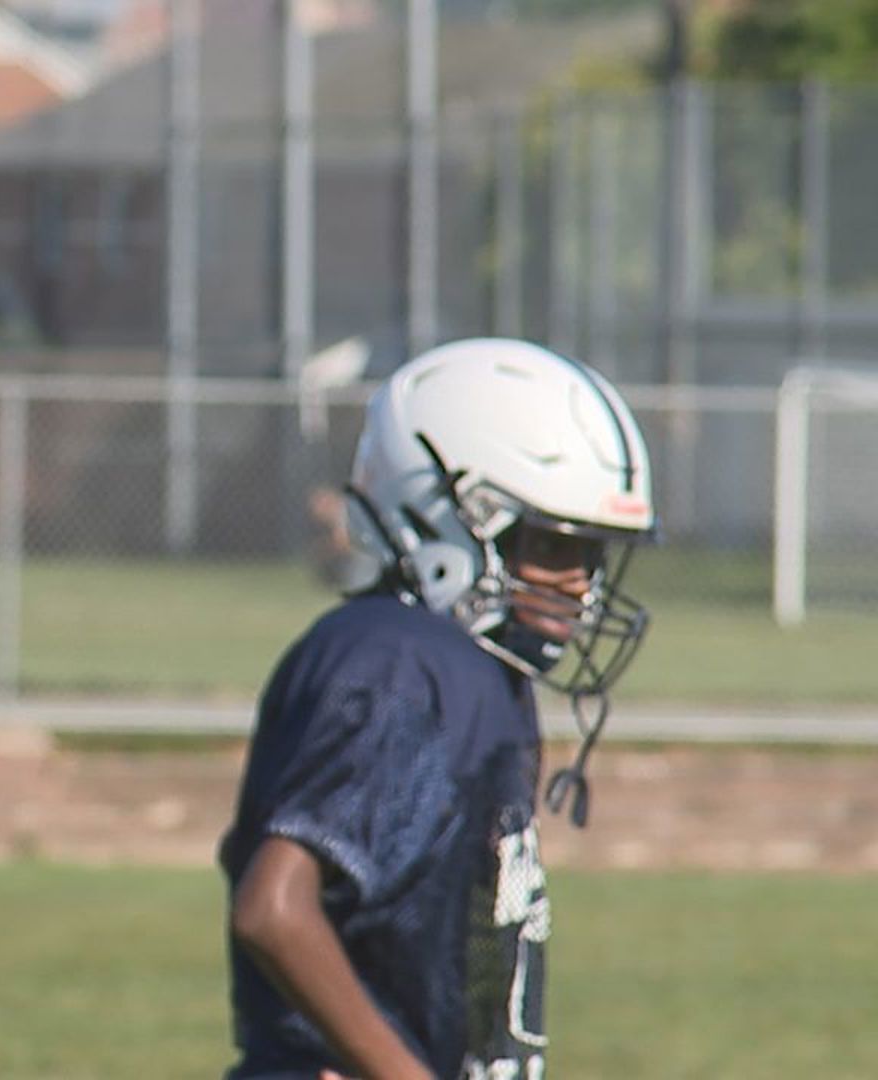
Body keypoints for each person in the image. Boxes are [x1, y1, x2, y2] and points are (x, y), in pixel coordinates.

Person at [218, 338, 658, 1079]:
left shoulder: (478, 673)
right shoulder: (399, 660)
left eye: (594, 558)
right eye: (551, 546)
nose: (579, 589)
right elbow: (275, 907)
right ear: (447, 519)